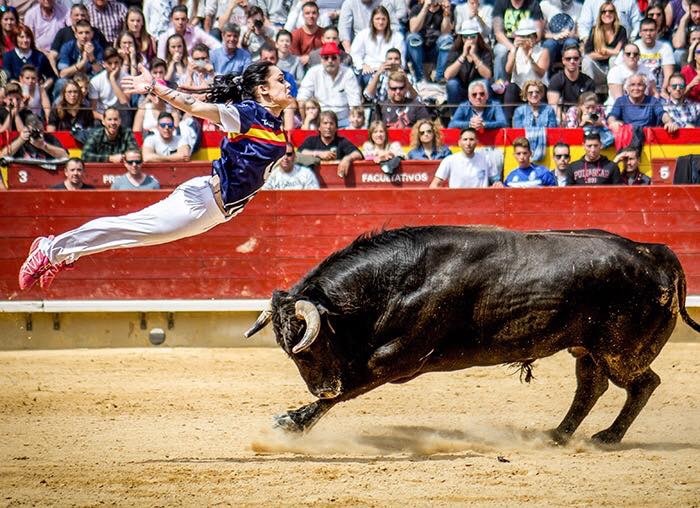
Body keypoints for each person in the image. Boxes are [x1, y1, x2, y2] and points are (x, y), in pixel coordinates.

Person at [18, 60, 294, 291]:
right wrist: (155, 88)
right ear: (263, 90)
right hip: (203, 201)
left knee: (134, 232)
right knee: (132, 229)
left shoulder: (272, 123)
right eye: (281, 79)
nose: (288, 83)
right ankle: (51, 250)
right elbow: (194, 107)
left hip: (215, 208)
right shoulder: (248, 114)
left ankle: (64, 252)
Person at [297, 42, 362, 128]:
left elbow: (355, 102)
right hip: (320, 120)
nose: (330, 61)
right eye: (326, 58)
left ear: (339, 59)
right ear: (321, 60)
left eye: (334, 58)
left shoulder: (348, 73)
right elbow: (302, 99)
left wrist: (355, 123)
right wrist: (305, 121)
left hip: (343, 120)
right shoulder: (313, 72)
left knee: (356, 128)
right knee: (310, 127)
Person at [503, 19, 550, 124]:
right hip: (519, 89)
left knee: (538, 89)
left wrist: (530, 59)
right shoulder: (514, 51)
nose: (524, 39)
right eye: (522, 36)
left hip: (537, 87)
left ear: (533, 37)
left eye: (528, 36)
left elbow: (541, 73)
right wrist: (514, 51)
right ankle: (508, 125)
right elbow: (508, 70)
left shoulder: (542, 51)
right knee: (511, 88)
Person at [297, 110, 364, 178]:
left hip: (336, 181)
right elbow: (299, 153)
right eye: (325, 123)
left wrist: (347, 159)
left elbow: (358, 154)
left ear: (336, 128)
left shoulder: (341, 141)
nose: (328, 127)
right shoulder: (311, 140)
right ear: (319, 127)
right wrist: (319, 154)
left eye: (331, 123)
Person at [429, 127, 503, 188]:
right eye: (465, 139)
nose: (468, 143)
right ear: (459, 143)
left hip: (481, 202)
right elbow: (434, 185)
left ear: (477, 142)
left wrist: (497, 184)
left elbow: (496, 181)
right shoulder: (449, 160)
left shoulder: (486, 159)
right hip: (457, 203)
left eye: (471, 139)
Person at [351, 6, 405, 87]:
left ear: (388, 20)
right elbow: (355, 54)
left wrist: (387, 68)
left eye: (383, 19)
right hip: (369, 70)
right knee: (366, 78)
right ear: (372, 20)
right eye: (377, 19)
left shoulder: (397, 36)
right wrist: (362, 65)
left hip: (389, 71)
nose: (380, 22)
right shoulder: (363, 34)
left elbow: (401, 59)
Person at [492, 0, 545, 83]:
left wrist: (525, 42)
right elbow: (498, 33)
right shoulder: (501, 3)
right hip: (506, 41)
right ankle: (500, 87)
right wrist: (513, 47)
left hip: (528, 39)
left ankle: (531, 85)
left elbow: (538, 33)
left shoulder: (533, 4)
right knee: (501, 51)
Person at [444, 20, 493, 105]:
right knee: (452, 84)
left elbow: (488, 75)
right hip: (460, 89)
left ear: (478, 36)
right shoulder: (455, 50)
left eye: (472, 36)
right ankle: (455, 115)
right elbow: (447, 75)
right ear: (461, 37)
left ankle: (482, 113)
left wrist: (474, 56)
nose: (469, 39)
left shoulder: (485, 51)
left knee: (485, 83)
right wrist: (463, 55)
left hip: (478, 90)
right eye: (466, 36)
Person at [607, 73, 678, 132]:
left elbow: (662, 114)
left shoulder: (652, 101)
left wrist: (669, 122)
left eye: (639, 85)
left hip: (649, 138)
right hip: (628, 138)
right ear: (627, 88)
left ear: (645, 87)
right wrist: (613, 122)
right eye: (632, 85)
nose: (636, 88)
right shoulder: (621, 101)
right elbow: (612, 115)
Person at [581, 2, 627, 93]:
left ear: (615, 14)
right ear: (600, 14)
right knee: (586, 61)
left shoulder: (621, 30)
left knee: (614, 60)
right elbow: (588, 54)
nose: (607, 14)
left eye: (610, 11)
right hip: (597, 69)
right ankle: (588, 95)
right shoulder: (595, 30)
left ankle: (614, 94)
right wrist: (611, 52)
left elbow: (620, 52)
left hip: (614, 68)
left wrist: (603, 50)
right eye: (604, 11)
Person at [406, 0, 454, 83]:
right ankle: (420, 78)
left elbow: (446, 33)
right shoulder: (417, 8)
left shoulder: (446, 9)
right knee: (412, 38)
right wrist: (425, 7)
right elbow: (413, 29)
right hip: (419, 50)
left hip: (436, 50)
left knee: (447, 39)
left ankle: (439, 78)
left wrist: (446, 14)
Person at [547, 44, 596, 121]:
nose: (572, 61)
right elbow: (553, 105)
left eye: (576, 58)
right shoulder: (556, 80)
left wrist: (577, 119)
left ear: (580, 60)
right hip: (561, 117)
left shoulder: (588, 82)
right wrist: (567, 119)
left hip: (582, 116)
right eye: (568, 59)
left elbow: (589, 105)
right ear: (563, 60)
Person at [157, 5, 222, 60]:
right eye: (177, 19)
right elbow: (161, 60)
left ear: (187, 20)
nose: (180, 22)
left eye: (183, 19)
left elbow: (215, 44)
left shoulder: (195, 31)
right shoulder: (164, 37)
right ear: (171, 20)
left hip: (195, 68)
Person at [2, 113, 68, 161]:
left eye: (39, 129)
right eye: (33, 129)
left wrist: (44, 146)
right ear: (26, 128)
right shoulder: (21, 139)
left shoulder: (49, 138)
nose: (36, 132)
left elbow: (65, 155)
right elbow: (3, 156)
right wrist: (20, 140)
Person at [634, 16, 674, 93]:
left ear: (656, 31)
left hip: (659, 89)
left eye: (651, 30)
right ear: (640, 33)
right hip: (638, 89)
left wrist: (663, 90)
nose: (648, 33)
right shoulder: (634, 47)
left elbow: (669, 74)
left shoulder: (665, 47)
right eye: (645, 30)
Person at [290, 1, 324, 68]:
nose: (311, 16)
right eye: (307, 13)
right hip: (302, 67)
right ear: (303, 15)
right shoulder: (295, 35)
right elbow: (294, 58)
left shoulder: (324, 33)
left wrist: (311, 57)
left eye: (314, 13)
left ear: (318, 15)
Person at [681, 31, 700, 102]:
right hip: (690, 107)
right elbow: (678, 97)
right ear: (694, 56)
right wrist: (691, 85)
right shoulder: (687, 71)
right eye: (699, 52)